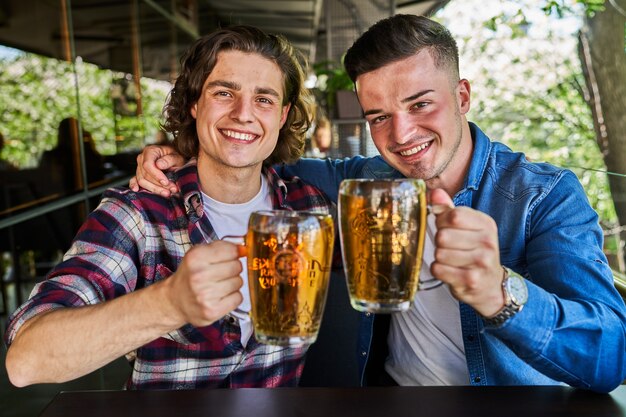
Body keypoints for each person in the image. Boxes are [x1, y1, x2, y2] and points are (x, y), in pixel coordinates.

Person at [129, 15, 626, 393]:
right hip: (385, 399)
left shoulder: (542, 195)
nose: (401, 135)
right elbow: (252, 158)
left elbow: (610, 355)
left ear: (463, 96)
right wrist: (186, 153)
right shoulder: (367, 180)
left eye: (420, 104)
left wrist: (501, 293)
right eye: (378, 116)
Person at [4, 25, 333, 390]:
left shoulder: (312, 209)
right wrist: (168, 303)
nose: (244, 113)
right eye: (224, 92)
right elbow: (26, 360)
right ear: (195, 104)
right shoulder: (139, 214)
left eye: (264, 99)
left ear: (283, 115)